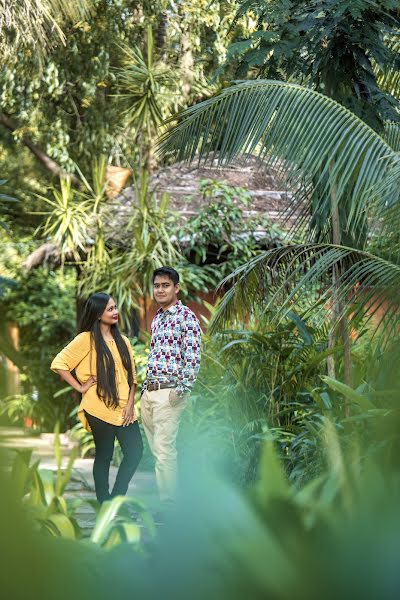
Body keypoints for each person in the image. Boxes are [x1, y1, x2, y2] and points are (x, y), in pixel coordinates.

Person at [51, 292, 143, 503]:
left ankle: (116, 499)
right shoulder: (86, 340)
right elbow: (59, 363)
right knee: (104, 456)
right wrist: (80, 388)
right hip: (97, 406)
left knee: (135, 451)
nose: (115, 312)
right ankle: (104, 503)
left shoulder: (124, 342)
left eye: (115, 307)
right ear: (98, 313)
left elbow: (133, 378)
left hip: (124, 408)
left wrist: (130, 405)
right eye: (110, 309)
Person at [141, 266, 201, 504]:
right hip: (150, 393)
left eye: (166, 285)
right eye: (157, 285)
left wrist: (182, 390)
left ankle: (169, 506)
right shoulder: (157, 317)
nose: (160, 289)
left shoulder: (187, 317)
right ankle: (168, 501)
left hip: (169, 393)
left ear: (177, 288)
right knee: (158, 452)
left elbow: (193, 356)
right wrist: (145, 391)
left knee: (165, 451)